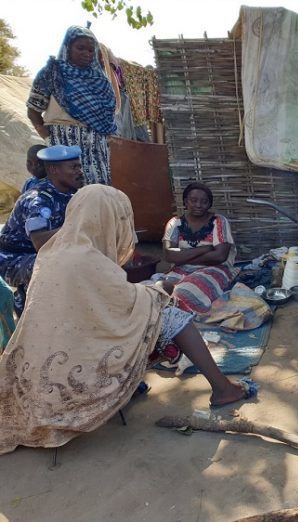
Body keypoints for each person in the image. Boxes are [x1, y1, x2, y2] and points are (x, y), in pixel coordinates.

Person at [0, 185, 254, 456]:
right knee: (172, 315)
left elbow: (99, 304)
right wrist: (157, 291)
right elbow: (125, 304)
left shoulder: (53, 252)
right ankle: (222, 389)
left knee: (157, 300)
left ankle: (136, 386)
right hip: (76, 363)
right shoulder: (84, 258)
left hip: (53, 354)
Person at [26, 26, 117, 186]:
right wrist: (42, 130)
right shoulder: (52, 73)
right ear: (68, 47)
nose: (86, 53)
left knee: (97, 190)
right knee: (67, 192)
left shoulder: (101, 80)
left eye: (91, 50)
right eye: (80, 48)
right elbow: (33, 109)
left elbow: (108, 118)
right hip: (63, 145)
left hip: (97, 149)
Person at [0, 145, 83, 314]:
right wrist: (78, 224)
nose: (80, 172)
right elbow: (40, 243)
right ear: (53, 170)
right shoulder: (38, 200)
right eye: (73, 167)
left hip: (44, 253)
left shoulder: (71, 193)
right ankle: (25, 302)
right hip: (15, 259)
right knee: (55, 263)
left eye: (79, 166)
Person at [162, 182, 240, 315]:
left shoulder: (219, 222)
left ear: (209, 204)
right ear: (185, 202)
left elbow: (220, 257)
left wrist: (183, 257)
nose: (198, 205)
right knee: (154, 289)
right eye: (193, 200)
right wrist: (204, 249)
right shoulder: (175, 223)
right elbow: (169, 255)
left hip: (215, 269)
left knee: (184, 293)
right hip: (180, 270)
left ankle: (178, 322)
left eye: (204, 201)